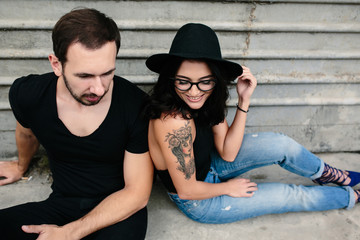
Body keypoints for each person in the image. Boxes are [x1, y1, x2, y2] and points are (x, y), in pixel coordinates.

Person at [143, 22, 360, 224]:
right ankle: (350, 196)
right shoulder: (172, 122)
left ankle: (327, 174)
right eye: (183, 82)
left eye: (205, 82)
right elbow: (187, 191)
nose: (194, 91)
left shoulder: (208, 99)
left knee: (280, 144)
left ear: (215, 80)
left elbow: (228, 153)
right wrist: (228, 187)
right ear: (171, 79)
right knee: (288, 195)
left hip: (212, 166)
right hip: (199, 200)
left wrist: (243, 100)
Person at [0, 8, 153, 239]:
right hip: (61, 204)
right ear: (56, 64)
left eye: (107, 73)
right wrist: (21, 166)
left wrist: (69, 233)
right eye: (85, 76)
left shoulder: (135, 105)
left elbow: (137, 193)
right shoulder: (29, 94)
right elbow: (27, 131)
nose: (99, 88)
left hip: (117, 210)